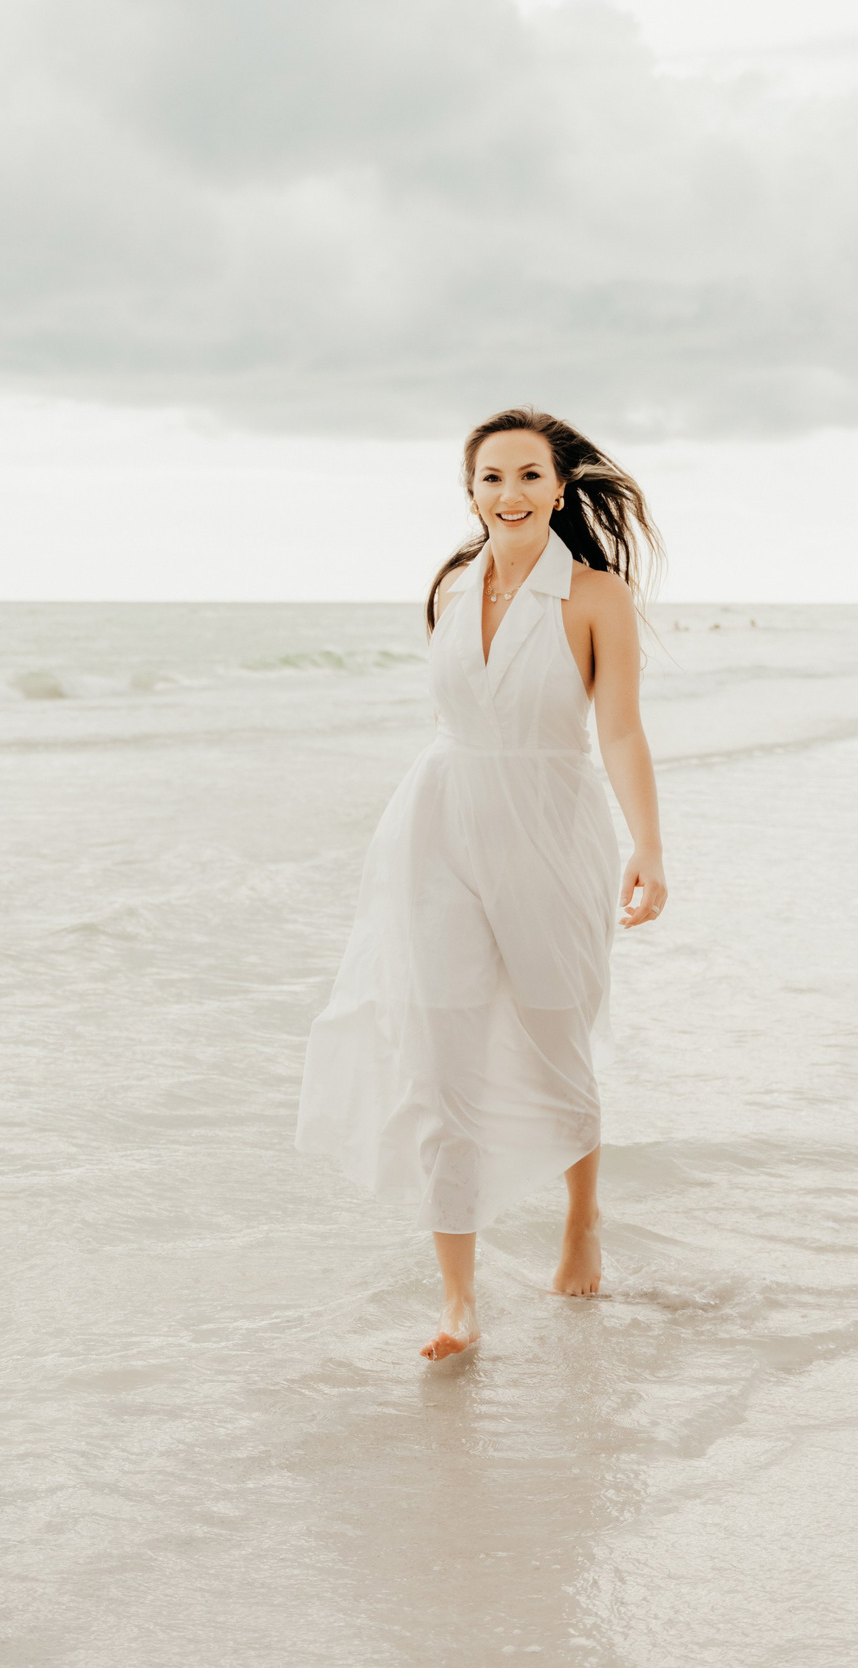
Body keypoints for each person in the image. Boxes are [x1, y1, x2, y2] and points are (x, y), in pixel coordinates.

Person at [296, 406, 668, 1362]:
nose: (511, 495)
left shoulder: (595, 597)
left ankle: (581, 1216)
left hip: (552, 825)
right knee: (439, 1044)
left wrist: (649, 847)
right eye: (492, 478)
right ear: (470, 491)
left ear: (561, 487)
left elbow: (618, 730)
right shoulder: (452, 588)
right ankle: (458, 1301)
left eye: (530, 476)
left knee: (555, 1027)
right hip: (440, 825)